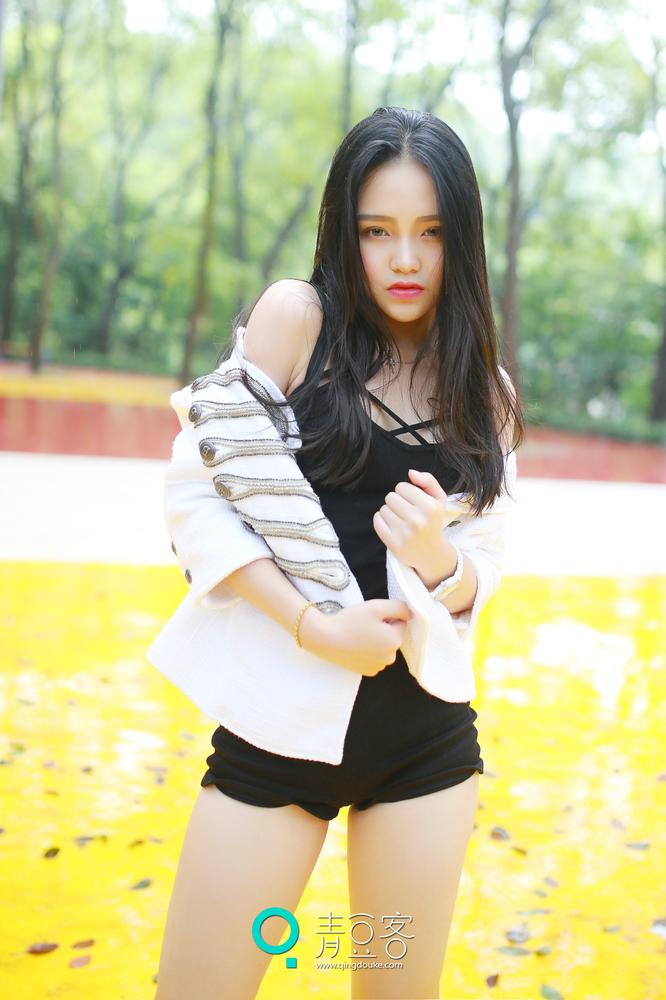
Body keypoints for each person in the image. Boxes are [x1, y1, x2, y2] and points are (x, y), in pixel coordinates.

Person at [153, 106, 524, 1000]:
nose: (405, 259)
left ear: (462, 240)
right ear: (343, 231)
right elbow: (199, 498)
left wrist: (438, 561)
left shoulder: (486, 390)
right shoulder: (297, 321)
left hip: (424, 748)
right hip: (276, 733)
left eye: (431, 233)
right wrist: (315, 626)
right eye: (377, 231)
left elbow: (486, 562)